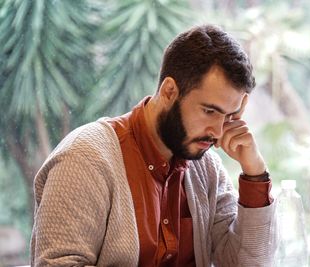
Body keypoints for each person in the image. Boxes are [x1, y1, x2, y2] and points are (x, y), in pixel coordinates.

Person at [30, 24, 275, 267]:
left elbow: (248, 262)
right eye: (210, 111)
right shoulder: (84, 159)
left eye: (230, 116)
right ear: (169, 91)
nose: (219, 132)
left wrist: (255, 172)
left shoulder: (205, 167)